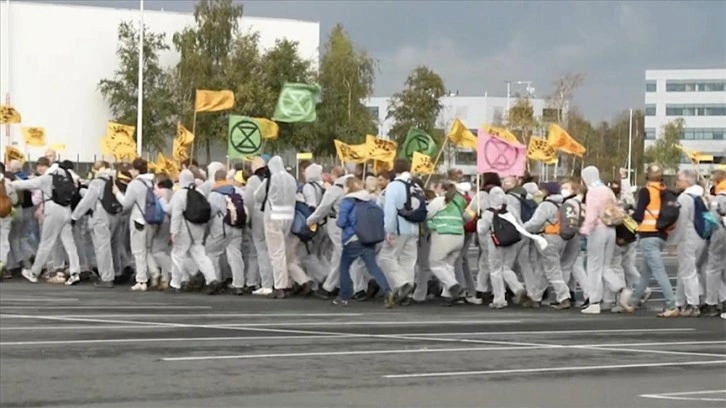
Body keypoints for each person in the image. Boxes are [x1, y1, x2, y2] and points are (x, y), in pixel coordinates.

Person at [13, 157, 81, 285]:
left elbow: (25, 185)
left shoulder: (47, 178)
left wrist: (11, 182)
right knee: (69, 243)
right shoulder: (67, 177)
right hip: (66, 210)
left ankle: (34, 272)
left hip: (52, 209)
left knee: (46, 242)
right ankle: (75, 272)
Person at [332, 176, 395, 307]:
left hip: (353, 238)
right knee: (373, 266)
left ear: (348, 187)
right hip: (368, 238)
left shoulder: (347, 201)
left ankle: (343, 296)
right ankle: (387, 290)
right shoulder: (370, 200)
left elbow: (342, 222)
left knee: (344, 266)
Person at [579, 166, 630, 314]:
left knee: (594, 266)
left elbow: (591, 215)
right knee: (606, 265)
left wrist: (584, 230)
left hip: (598, 229)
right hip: (611, 228)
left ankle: (594, 302)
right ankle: (620, 288)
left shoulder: (592, 192)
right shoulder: (607, 190)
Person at [254, 156, 301, 299]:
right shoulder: (292, 179)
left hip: (273, 218)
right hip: (289, 218)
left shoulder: (271, 179)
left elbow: (258, 196)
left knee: (276, 254)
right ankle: (289, 283)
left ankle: (280, 286)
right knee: (286, 252)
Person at [523, 181, 572, 309]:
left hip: (547, 239)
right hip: (561, 238)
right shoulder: (563, 204)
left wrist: (521, 228)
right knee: (542, 268)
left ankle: (564, 297)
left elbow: (536, 222)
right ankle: (535, 297)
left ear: (547, 191)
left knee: (552, 269)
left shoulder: (546, 205)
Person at [113, 158, 159, 291]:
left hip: (139, 220)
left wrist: (117, 194)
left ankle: (141, 280)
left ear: (135, 170)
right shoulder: (151, 182)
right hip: (152, 219)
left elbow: (126, 203)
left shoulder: (135, 184)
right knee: (148, 249)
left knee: (138, 251)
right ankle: (155, 273)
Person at [71, 161, 116, 288]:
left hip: (99, 217)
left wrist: (75, 216)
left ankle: (106, 277)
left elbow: (87, 201)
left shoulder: (97, 182)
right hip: (112, 215)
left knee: (101, 248)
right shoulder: (113, 180)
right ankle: (114, 273)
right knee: (109, 247)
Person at [670, 169, 708, 317]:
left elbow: (681, 221)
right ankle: (680, 301)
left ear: (687, 182)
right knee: (686, 270)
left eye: (679, 180)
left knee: (688, 272)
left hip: (688, 237)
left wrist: (673, 242)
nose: (677, 183)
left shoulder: (684, 198)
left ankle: (693, 303)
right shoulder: (700, 196)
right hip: (700, 236)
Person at [245, 157, 273, 295]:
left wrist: (248, 219)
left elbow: (249, 200)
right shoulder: (272, 178)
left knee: (260, 250)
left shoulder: (253, 181)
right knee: (273, 251)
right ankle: (275, 282)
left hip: (258, 216)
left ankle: (264, 283)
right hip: (273, 216)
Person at [703, 168, 726, 317]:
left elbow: (712, 219)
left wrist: (706, 233)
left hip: (720, 232)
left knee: (713, 269)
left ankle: (712, 302)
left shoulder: (720, 197)